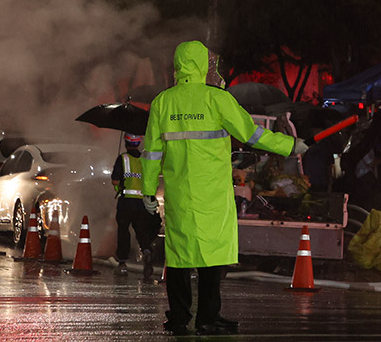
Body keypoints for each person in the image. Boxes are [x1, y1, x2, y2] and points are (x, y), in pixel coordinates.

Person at [140, 41, 303, 336]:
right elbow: (251, 134)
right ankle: (207, 318)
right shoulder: (217, 99)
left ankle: (178, 319)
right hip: (212, 194)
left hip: (179, 194)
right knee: (211, 258)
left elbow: (150, 152)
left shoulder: (163, 102)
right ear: (203, 65)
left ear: (178, 65)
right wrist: (289, 145)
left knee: (178, 257)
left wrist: (148, 191)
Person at [110, 132, 160, 280]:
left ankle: (122, 264)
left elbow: (115, 181)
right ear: (139, 143)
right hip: (142, 203)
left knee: (124, 231)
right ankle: (146, 251)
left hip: (126, 202)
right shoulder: (145, 160)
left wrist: (118, 187)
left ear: (125, 143)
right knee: (142, 231)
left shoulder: (123, 158)